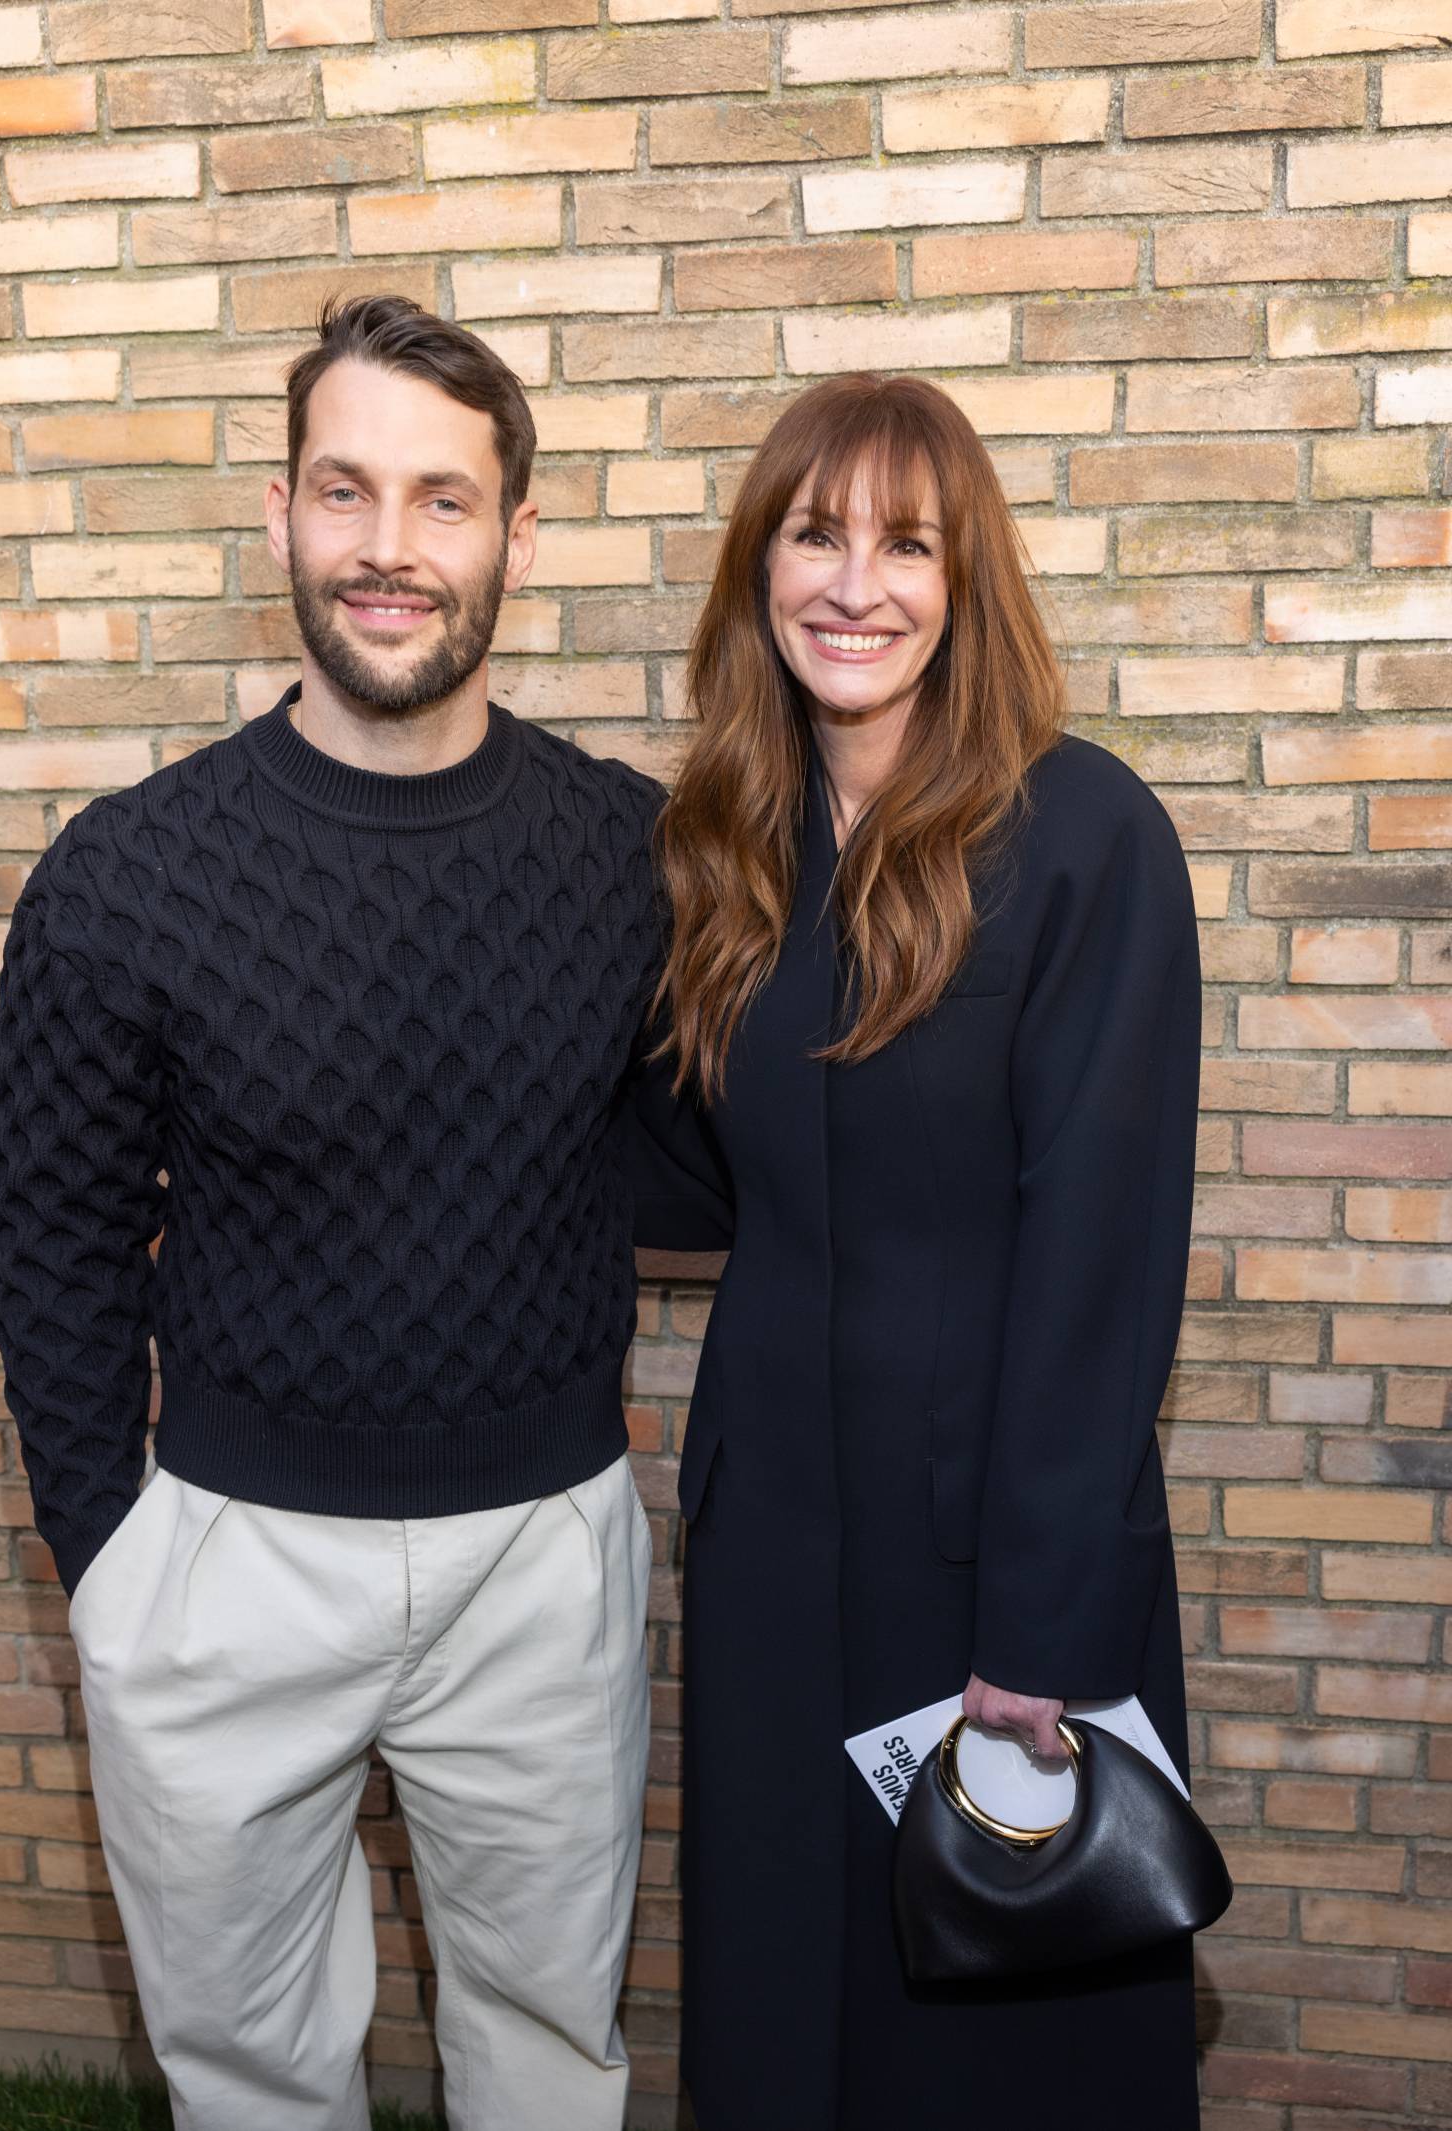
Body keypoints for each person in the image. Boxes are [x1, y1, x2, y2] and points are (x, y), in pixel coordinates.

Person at [0, 293, 665, 2131]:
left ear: (520, 536)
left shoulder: (632, 854)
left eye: (443, 501)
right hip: (220, 1560)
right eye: (345, 491)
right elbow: (48, 1222)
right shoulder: (129, 872)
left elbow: (703, 1150)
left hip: (543, 1557)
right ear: (279, 515)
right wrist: (108, 1553)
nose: (388, 548)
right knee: (251, 2077)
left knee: (547, 2056)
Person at [631, 372, 1203, 2129]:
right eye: (813, 538)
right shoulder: (731, 848)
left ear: (968, 583)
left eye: (905, 544)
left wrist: (1040, 1628)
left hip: (991, 1561)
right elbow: (688, 1183)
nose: (853, 585)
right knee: (787, 1995)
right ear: (759, 573)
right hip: (773, 1540)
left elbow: (1103, 1265)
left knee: (995, 2031)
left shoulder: (1086, 834)